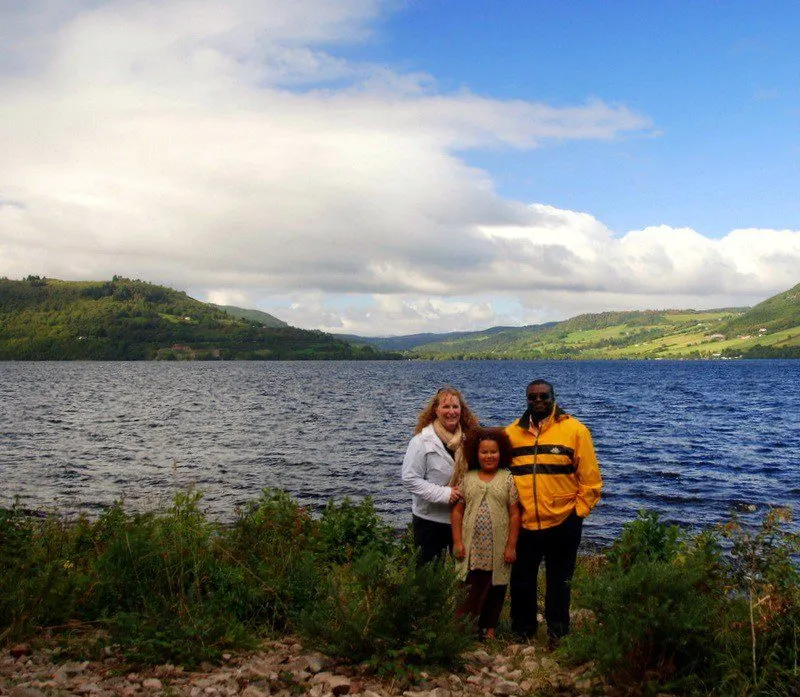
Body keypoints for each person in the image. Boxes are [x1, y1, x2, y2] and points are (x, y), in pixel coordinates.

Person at [505, 379, 602, 641]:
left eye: (543, 396)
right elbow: (496, 468)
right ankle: (523, 632)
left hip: (563, 521)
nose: (538, 401)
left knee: (559, 581)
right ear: (526, 400)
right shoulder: (512, 433)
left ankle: (558, 633)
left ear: (553, 397)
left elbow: (591, 480)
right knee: (522, 581)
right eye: (532, 397)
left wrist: (577, 513)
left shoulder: (575, 431)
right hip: (524, 523)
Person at [451, 427, 521, 640]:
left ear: (501, 453)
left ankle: (490, 628)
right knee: (469, 587)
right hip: (472, 549)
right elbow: (457, 511)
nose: (489, 456)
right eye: (484, 452)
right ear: (476, 454)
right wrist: (457, 542)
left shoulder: (507, 478)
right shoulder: (468, 478)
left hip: (497, 549)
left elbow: (515, 514)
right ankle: (465, 628)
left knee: (495, 588)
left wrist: (511, 545)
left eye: (493, 452)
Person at [401, 386, 480, 564]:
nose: (451, 411)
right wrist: (446, 494)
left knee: (462, 575)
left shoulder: (471, 439)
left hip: (463, 519)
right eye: (446, 407)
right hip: (430, 521)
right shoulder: (421, 441)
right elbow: (409, 479)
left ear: (462, 410)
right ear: (435, 410)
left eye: (455, 407)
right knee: (429, 577)